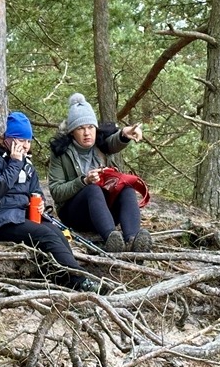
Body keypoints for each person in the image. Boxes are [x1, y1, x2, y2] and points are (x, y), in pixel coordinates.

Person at [0, 111, 99, 292]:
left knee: (56, 233)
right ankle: (80, 280)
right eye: (21, 140)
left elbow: (36, 191)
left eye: (28, 141)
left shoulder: (27, 163)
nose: (25, 146)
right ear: (9, 139)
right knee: (45, 235)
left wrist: (40, 204)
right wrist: (15, 163)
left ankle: (63, 276)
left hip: (21, 215)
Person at [48, 93, 152, 253]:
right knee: (92, 189)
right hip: (76, 214)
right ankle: (111, 239)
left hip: (105, 211)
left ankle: (133, 239)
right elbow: (56, 192)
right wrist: (83, 181)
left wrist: (125, 133)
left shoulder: (101, 144)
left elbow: (116, 141)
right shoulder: (61, 152)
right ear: (72, 132)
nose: (87, 133)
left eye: (90, 127)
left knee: (127, 187)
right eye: (80, 128)